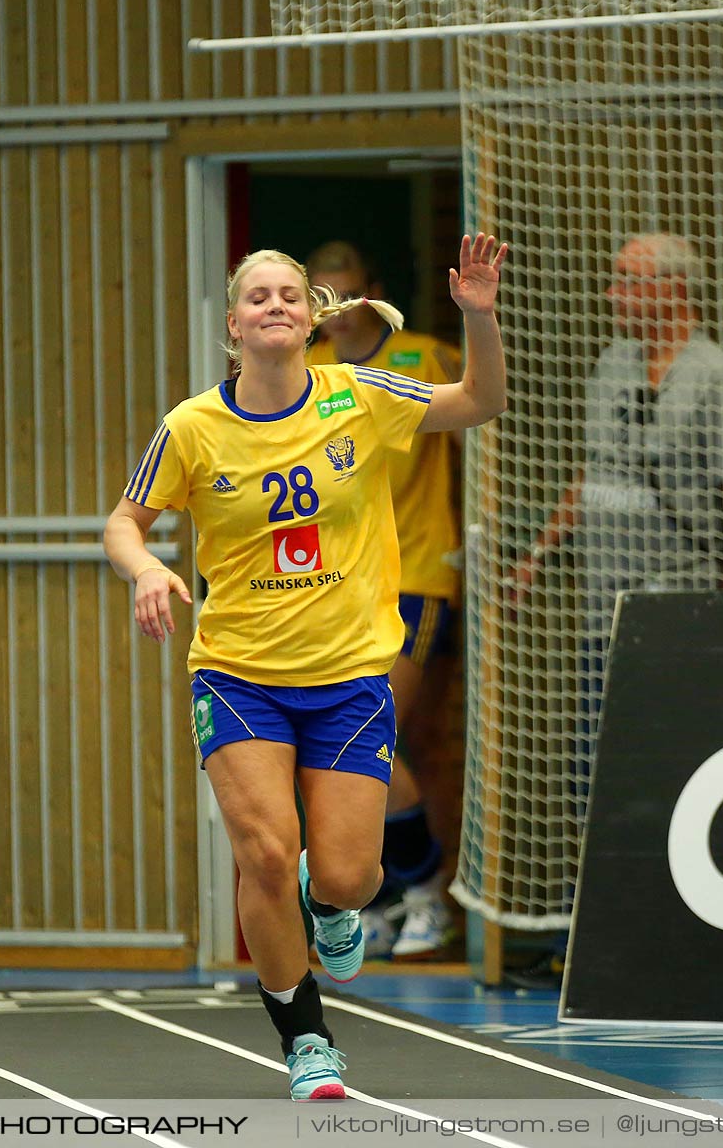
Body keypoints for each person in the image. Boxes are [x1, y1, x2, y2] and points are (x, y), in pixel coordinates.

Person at [104, 233, 509, 1100]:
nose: (278, 304)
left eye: (292, 293)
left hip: (348, 678)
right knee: (262, 851)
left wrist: (480, 316)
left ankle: (331, 908)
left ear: (315, 316)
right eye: (260, 296)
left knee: (346, 873)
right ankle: (307, 1040)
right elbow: (124, 522)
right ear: (235, 326)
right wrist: (147, 569)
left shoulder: (359, 395)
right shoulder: (192, 426)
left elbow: (479, 401)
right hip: (239, 674)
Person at [509, 234, 723, 981]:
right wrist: (539, 556)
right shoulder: (612, 365)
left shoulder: (715, 377)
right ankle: (591, 944)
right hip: (603, 611)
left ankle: (680, 937)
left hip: (679, 609)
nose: (613, 294)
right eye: (615, 280)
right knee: (593, 773)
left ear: (672, 289)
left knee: (671, 771)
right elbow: (594, 473)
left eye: (628, 281)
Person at [306, 241, 465, 961]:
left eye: (342, 298)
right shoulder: (306, 375)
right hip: (337, 588)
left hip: (414, 580)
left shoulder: (425, 360)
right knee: (339, 748)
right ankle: (395, 892)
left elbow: (486, 425)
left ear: (371, 294)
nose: (331, 315)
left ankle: (426, 886)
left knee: (374, 738)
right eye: (319, 301)